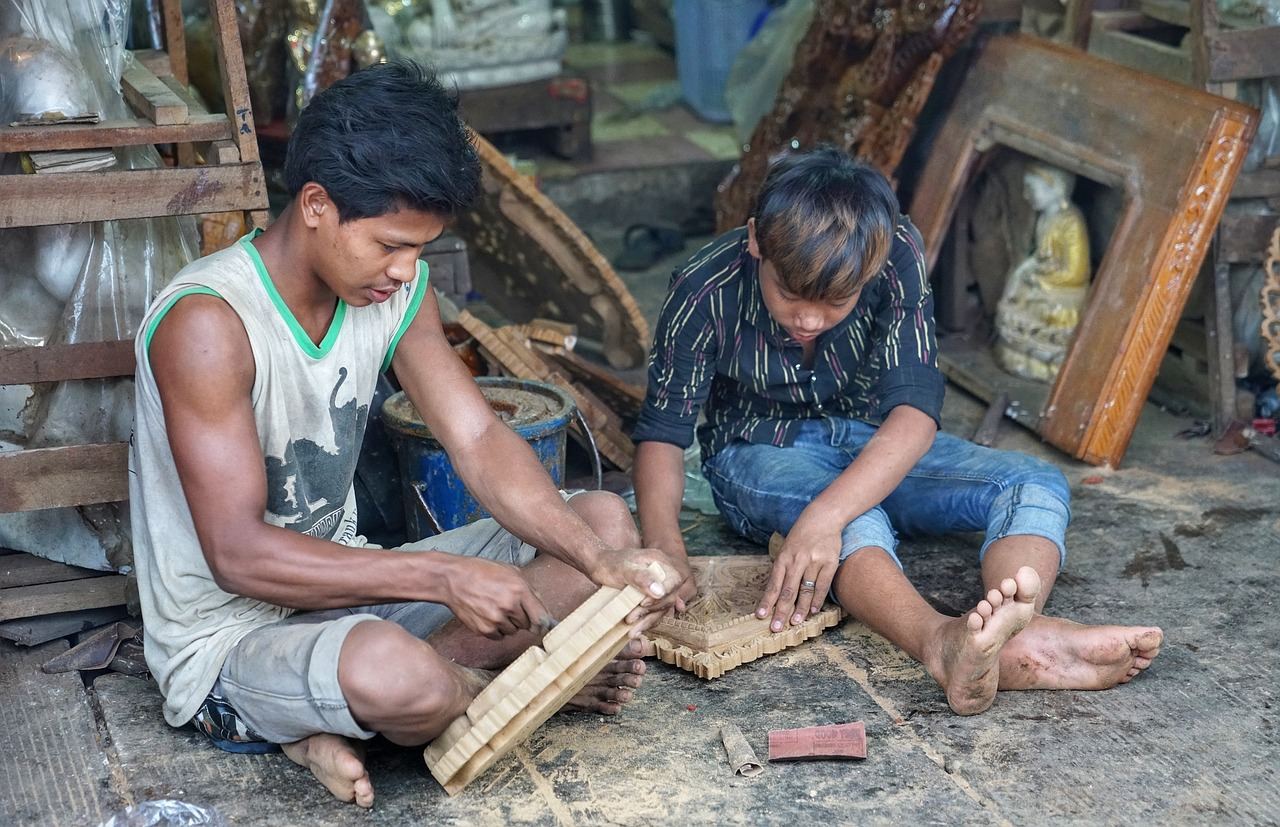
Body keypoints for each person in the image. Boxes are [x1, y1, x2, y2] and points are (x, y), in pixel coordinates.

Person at [129, 61, 685, 809]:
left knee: (600, 522)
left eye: (420, 249)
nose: (404, 270)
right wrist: (441, 578)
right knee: (399, 674)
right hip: (228, 636)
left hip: (349, 595)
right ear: (318, 205)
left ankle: (358, 714)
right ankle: (490, 688)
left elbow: (479, 440)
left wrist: (603, 560)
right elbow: (238, 554)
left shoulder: (395, 290)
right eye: (391, 244)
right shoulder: (208, 324)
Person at [631, 147, 1162, 716]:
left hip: (873, 439)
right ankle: (940, 643)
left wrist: (823, 517)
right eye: (789, 294)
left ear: (874, 264)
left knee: (1033, 481)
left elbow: (913, 414)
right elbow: (663, 435)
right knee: (858, 518)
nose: (808, 320)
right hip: (757, 451)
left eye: (835, 302)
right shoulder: (703, 287)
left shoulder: (895, 249)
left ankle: (1011, 632)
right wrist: (664, 546)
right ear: (758, 239)